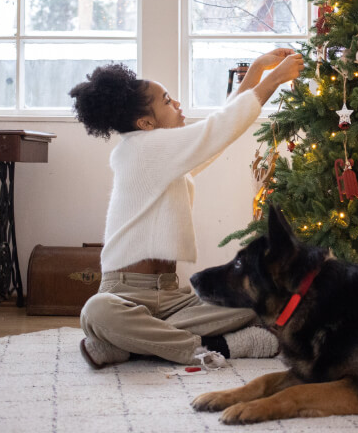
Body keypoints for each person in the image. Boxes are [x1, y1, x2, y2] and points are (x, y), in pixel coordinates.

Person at [68, 48, 304, 369]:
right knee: (97, 312)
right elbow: (218, 128)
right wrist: (275, 78)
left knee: (261, 298)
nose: (176, 103)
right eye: (166, 100)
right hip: (125, 295)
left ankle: (128, 346)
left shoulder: (167, 156)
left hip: (175, 298)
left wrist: (259, 69)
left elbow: (217, 130)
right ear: (146, 123)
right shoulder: (141, 152)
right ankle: (211, 345)